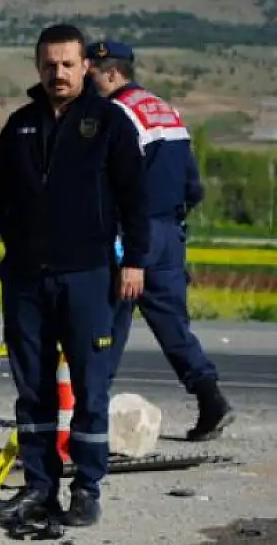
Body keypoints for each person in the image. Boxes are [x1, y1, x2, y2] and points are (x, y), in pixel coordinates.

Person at [0, 23, 147, 530]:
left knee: (91, 387)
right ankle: (39, 486)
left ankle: (86, 488)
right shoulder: (20, 124)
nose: (59, 73)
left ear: (86, 66)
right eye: (49, 64)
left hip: (88, 276)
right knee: (33, 389)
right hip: (24, 278)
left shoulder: (110, 122)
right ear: (37, 66)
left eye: (68, 64)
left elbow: (135, 199)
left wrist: (134, 261)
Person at [89, 40, 234, 441]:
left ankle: (91, 412)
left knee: (106, 323)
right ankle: (211, 398)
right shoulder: (166, 111)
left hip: (132, 233)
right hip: (169, 233)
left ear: (112, 74)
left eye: (92, 75)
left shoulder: (114, 113)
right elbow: (193, 184)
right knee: (173, 325)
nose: (88, 82)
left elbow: (115, 180)